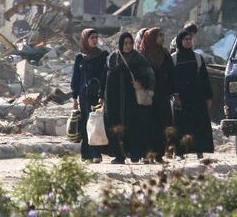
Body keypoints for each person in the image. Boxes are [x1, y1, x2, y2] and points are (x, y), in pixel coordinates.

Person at [105, 32, 155, 164]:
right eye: (125, 43)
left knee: (134, 126)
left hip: (133, 100)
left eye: (130, 43)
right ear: (121, 44)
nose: (128, 46)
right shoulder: (113, 58)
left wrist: (141, 84)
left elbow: (149, 75)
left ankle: (135, 153)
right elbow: (107, 78)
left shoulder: (138, 58)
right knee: (116, 126)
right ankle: (119, 156)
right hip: (115, 99)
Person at [171, 30, 214, 159]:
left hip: (196, 98)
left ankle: (199, 151)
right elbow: (171, 80)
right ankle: (180, 152)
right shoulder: (174, 58)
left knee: (198, 125)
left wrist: (208, 97)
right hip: (181, 99)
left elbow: (204, 79)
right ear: (180, 41)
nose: (189, 42)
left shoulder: (197, 57)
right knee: (181, 125)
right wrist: (175, 96)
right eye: (186, 39)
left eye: (190, 39)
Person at [70, 28, 108, 163]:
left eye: (96, 37)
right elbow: (76, 78)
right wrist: (74, 98)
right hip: (84, 95)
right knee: (86, 122)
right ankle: (86, 154)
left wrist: (103, 95)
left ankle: (97, 153)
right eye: (92, 37)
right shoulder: (80, 57)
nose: (95, 40)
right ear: (86, 39)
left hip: (97, 95)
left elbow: (105, 76)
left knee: (96, 122)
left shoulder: (103, 55)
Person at [138, 27, 175, 161]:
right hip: (147, 96)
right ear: (151, 37)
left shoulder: (165, 54)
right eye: (160, 35)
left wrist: (172, 92)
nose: (162, 38)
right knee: (147, 124)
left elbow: (171, 74)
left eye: (163, 35)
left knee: (161, 124)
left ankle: (159, 154)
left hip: (162, 95)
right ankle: (147, 154)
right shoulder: (142, 55)